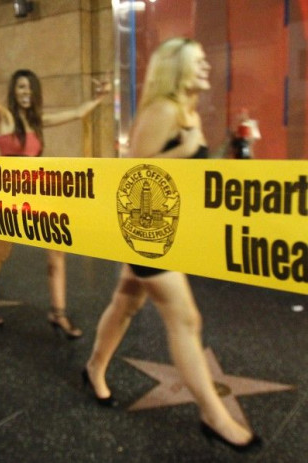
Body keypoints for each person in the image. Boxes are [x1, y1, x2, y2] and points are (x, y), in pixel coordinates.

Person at [82, 38, 261, 452]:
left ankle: (94, 368)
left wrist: (228, 151)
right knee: (185, 320)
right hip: (147, 230)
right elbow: (134, 172)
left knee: (126, 302)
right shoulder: (163, 111)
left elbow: (190, 170)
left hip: (166, 227)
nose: (207, 69)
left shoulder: (187, 112)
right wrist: (184, 147)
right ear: (175, 68)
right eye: (197, 63)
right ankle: (214, 416)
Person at [0, 68, 107, 333]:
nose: (27, 92)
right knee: (1, 252)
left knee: (57, 250)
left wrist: (100, 98)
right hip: (9, 195)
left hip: (37, 193)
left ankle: (58, 312)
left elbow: (78, 113)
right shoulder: (7, 119)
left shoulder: (37, 122)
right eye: (22, 87)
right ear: (14, 91)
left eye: (31, 88)